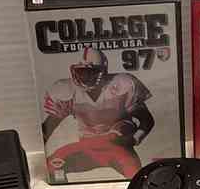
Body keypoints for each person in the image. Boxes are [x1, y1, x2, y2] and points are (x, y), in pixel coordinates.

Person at [42, 47, 155, 178]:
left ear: (103, 70)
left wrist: (134, 139)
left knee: (136, 177)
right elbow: (48, 127)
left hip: (118, 147)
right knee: (52, 167)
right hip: (87, 147)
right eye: (81, 71)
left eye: (90, 72)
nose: (85, 77)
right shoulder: (67, 90)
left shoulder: (121, 85)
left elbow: (147, 120)